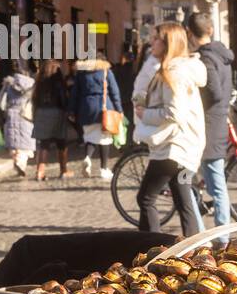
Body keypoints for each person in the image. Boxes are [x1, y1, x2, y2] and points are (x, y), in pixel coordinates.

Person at [133, 22, 206, 237]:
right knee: (184, 200)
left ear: (167, 43)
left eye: (156, 39)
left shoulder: (174, 73)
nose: (151, 42)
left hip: (173, 148)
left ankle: (151, 247)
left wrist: (144, 114)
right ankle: (195, 251)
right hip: (183, 147)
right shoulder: (172, 69)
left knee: (145, 198)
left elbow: (175, 112)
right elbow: (140, 90)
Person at [187, 12, 235, 230]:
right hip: (217, 121)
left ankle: (219, 234)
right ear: (211, 30)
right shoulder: (222, 55)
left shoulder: (205, 57)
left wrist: (193, 102)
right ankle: (215, 230)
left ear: (190, 33)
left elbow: (213, 91)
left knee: (212, 184)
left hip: (207, 125)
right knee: (212, 182)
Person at [70, 50, 122, 180]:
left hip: (86, 108)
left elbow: (74, 94)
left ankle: (87, 158)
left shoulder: (81, 74)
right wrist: (119, 110)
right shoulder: (106, 72)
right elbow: (114, 92)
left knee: (90, 136)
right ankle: (104, 169)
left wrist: (71, 111)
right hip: (104, 108)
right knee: (104, 139)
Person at [31, 60, 75, 182]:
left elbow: (34, 99)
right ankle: (63, 170)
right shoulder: (58, 82)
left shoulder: (39, 82)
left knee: (43, 143)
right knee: (62, 143)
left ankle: (40, 172)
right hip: (56, 112)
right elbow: (62, 98)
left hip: (41, 112)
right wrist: (67, 110)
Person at [0, 63, 36, 176]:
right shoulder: (32, 85)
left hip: (11, 114)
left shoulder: (8, 85)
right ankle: (21, 163)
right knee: (26, 142)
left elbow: (0, 100)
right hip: (26, 115)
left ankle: (16, 159)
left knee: (14, 141)